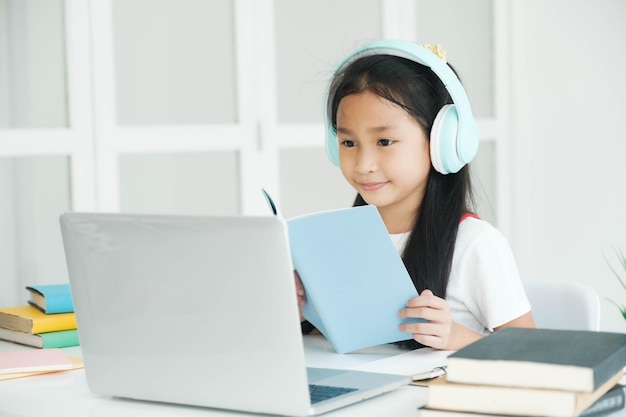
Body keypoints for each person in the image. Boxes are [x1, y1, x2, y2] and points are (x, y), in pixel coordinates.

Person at [296, 40, 535, 351]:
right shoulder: (337, 240)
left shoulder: (475, 244)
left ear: (443, 142)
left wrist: (456, 336)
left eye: (384, 141)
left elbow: (533, 354)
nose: (364, 165)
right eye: (348, 143)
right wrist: (301, 312)